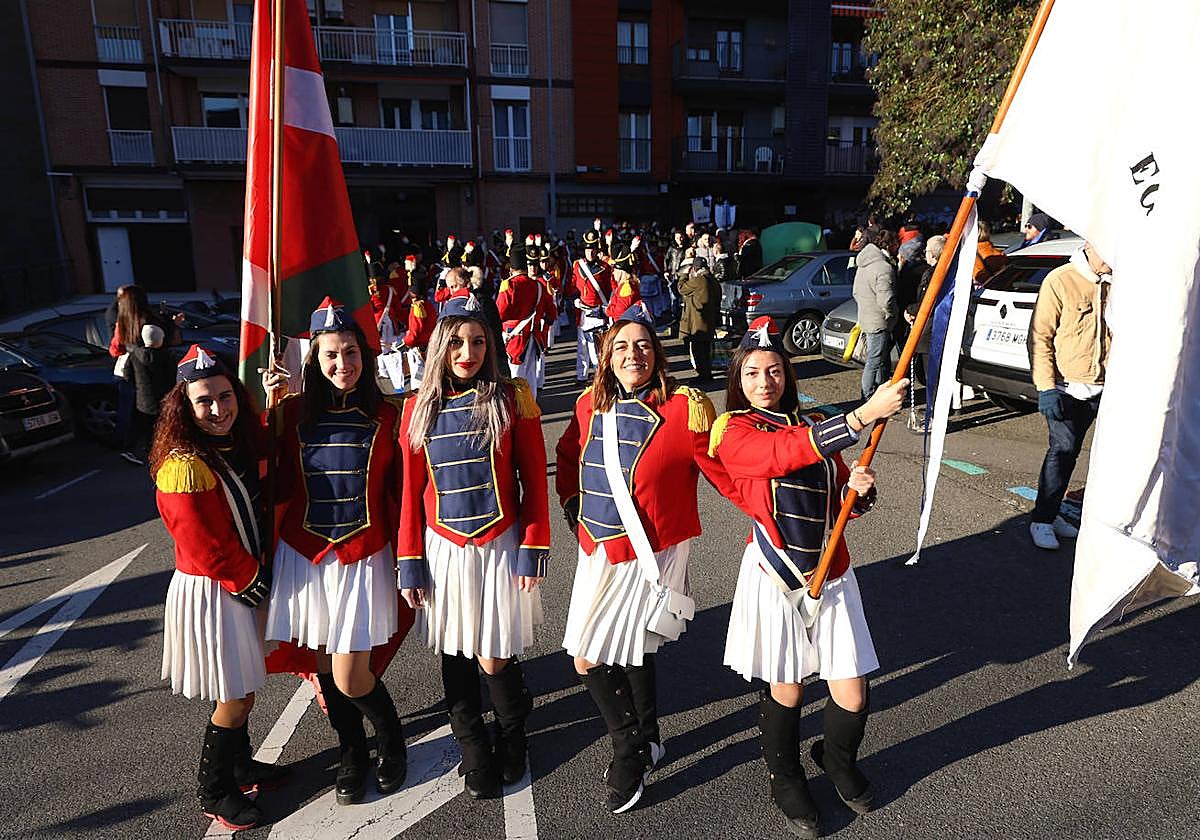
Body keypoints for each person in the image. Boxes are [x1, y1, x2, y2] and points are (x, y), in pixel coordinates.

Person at [708, 317, 907, 838]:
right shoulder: (733, 430)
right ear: (739, 379)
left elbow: (841, 498)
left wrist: (858, 493)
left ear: (787, 374)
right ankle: (785, 774)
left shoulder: (814, 419)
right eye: (752, 373)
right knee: (788, 686)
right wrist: (863, 414)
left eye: (774, 371)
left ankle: (835, 759)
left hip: (832, 571)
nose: (764, 382)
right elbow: (777, 457)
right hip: (777, 575)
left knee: (853, 692)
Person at [555, 304, 733, 814]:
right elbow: (568, 460)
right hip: (598, 548)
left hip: (651, 550)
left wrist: (794, 497)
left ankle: (627, 751)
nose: (633, 355)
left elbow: (730, 471)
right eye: (622, 346)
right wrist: (572, 506)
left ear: (657, 355)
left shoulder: (684, 410)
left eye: (643, 346)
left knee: (587, 656)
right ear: (606, 355)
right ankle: (650, 737)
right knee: (632, 648)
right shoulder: (590, 405)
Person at [397, 296, 548, 799]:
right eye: (458, 342)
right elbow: (408, 494)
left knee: (494, 652)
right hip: (443, 549)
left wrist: (533, 546)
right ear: (440, 346)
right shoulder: (417, 408)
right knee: (455, 648)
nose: (468, 352)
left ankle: (513, 737)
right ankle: (471, 745)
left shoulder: (511, 399)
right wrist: (410, 561)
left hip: (500, 543)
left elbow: (534, 483)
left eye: (479, 341)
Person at [263, 298, 408, 806]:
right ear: (314, 360)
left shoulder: (390, 416)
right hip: (306, 556)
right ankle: (352, 751)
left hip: (364, 555)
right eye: (330, 355)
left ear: (365, 357)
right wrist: (268, 412)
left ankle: (391, 740)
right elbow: (263, 475)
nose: (342, 364)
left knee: (350, 673)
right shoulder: (290, 414)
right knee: (325, 668)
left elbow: (407, 493)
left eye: (350, 352)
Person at [152, 345, 285, 831]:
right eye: (204, 401)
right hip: (215, 591)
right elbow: (206, 547)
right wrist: (253, 580)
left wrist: (275, 403)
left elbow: (270, 460)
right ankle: (214, 790)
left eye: (225, 396)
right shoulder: (182, 466)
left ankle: (241, 765)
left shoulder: (233, 441)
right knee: (235, 695)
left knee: (243, 686)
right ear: (184, 407)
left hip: (239, 582)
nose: (218, 408)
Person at [1028, 241, 1112, 550]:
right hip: (1067, 387)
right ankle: (1043, 519)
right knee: (1063, 451)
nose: (1112, 258)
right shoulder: (1060, 280)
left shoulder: (1118, 282)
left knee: (1107, 457)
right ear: (1091, 245)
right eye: (1108, 249)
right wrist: (1046, 387)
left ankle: (1099, 522)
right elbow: (1040, 336)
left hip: (1108, 386)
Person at [109, 285, 179, 465]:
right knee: (158, 413)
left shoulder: (123, 322)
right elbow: (164, 340)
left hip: (129, 370)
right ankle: (158, 450)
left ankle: (129, 446)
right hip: (151, 372)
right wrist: (171, 323)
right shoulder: (148, 321)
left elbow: (115, 348)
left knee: (134, 412)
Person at [851, 226, 898, 401]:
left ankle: (878, 389)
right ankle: (868, 395)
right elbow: (886, 299)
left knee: (878, 357)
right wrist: (892, 313)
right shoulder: (884, 268)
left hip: (866, 316)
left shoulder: (864, 264)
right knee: (875, 359)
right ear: (890, 245)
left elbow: (855, 291)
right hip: (879, 320)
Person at [496, 246, 545, 393]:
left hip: (515, 338)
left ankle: (519, 411)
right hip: (533, 336)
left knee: (515, 376)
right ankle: (531, 409)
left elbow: (500, 313)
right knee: (530, 376)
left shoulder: (509, 285)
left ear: (511, 268)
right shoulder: (537, 285)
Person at [569, 231, 614, 383]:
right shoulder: (577, 265)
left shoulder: (605, 268)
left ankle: (598, 376)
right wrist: (575, 297)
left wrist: (605, 309)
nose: (590, 252)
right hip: (582, 311)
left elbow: (609, 290)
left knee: (597, 348)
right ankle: (581, 376)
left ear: (597, 250)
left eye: (593, 249)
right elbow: (573, 284)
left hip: (597, 312)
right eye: (588, 249)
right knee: (582, 346)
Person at [677, 249, 720, 384]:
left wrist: (683, 275)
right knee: (705, 350)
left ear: (694, 269)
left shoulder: (699, 280)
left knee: (698, 349)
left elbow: (681, 288)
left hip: (698, 322)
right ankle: (706, 374)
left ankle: (703, 375)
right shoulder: (711, 279)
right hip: (709, 320)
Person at [973, 221, 1007, 287]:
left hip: (979, 290)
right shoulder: (999, 254)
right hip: (997, 288)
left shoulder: (970, 254)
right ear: (988, 233)